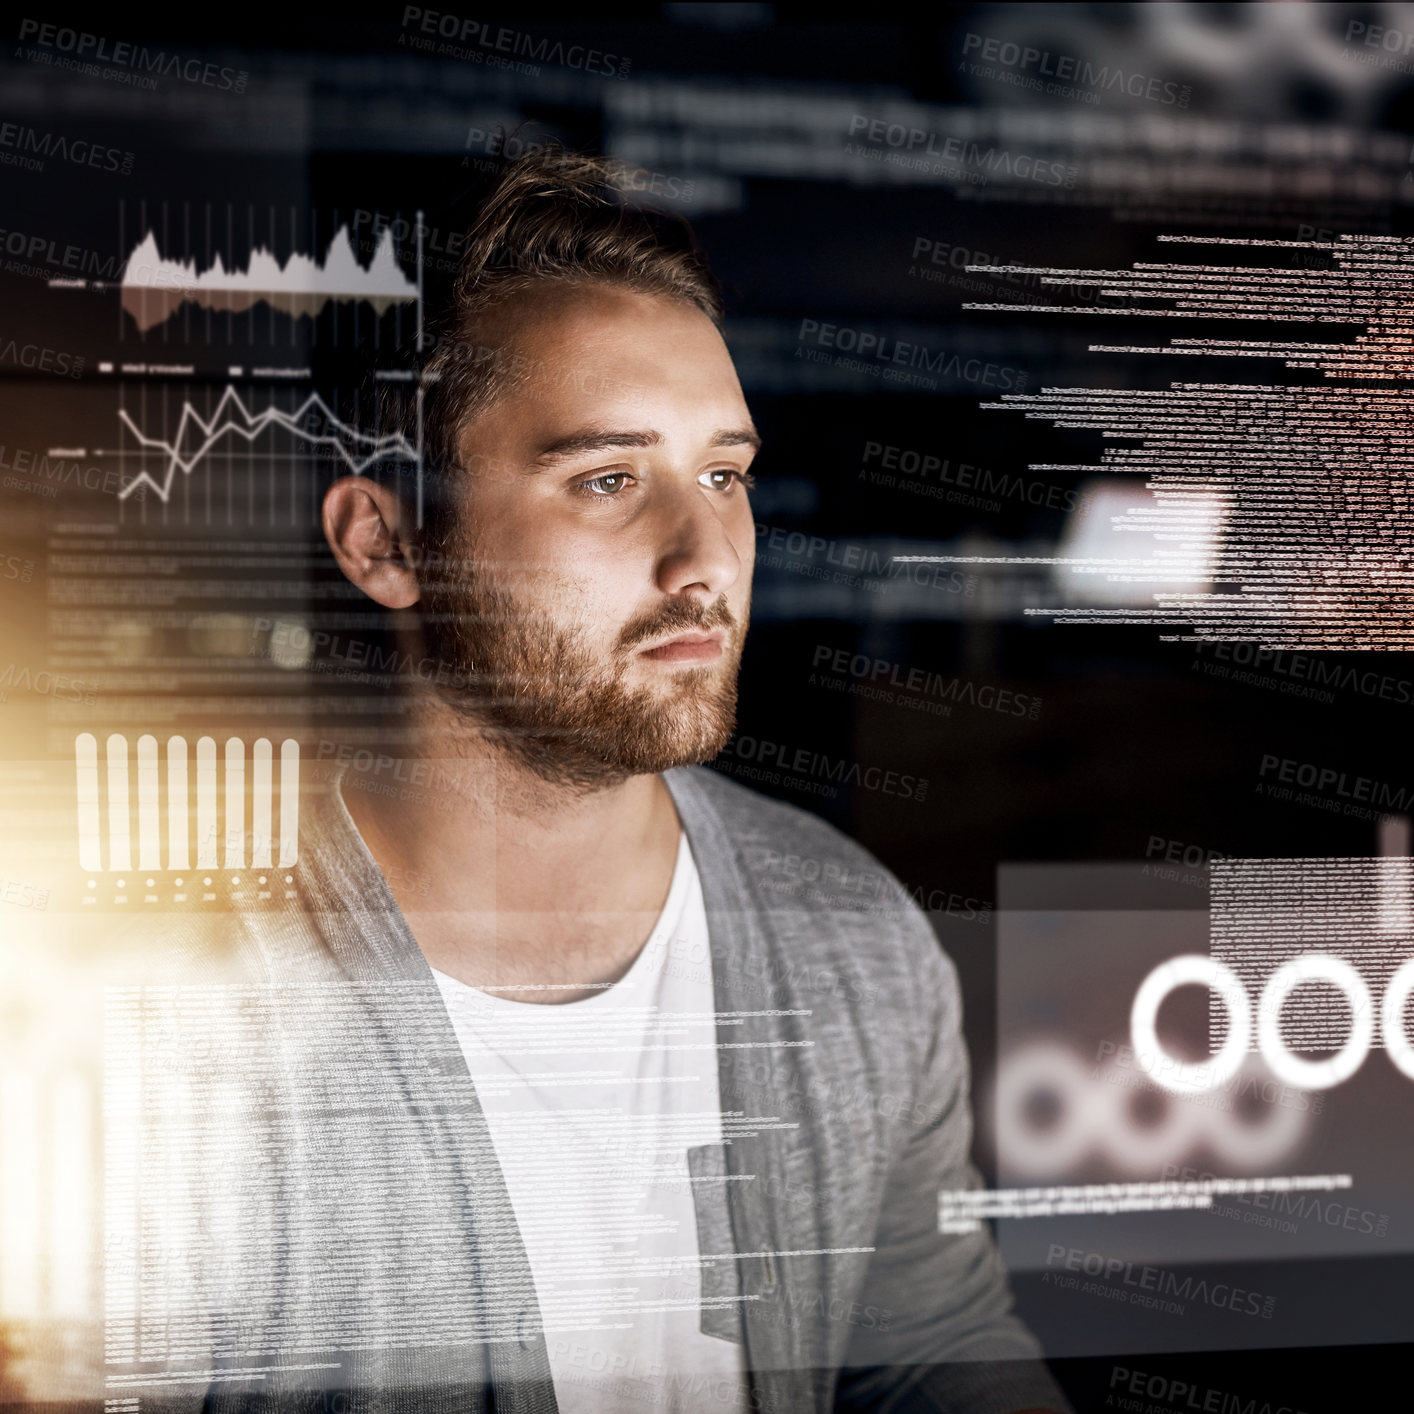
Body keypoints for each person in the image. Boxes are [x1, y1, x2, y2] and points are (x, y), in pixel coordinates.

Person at [117, 145, 1069, 1414]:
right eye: (608, 480)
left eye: (722, 475)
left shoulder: (850, 938)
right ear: (387, 542)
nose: (703, 558)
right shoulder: (156, 1023)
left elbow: (929, 1357)